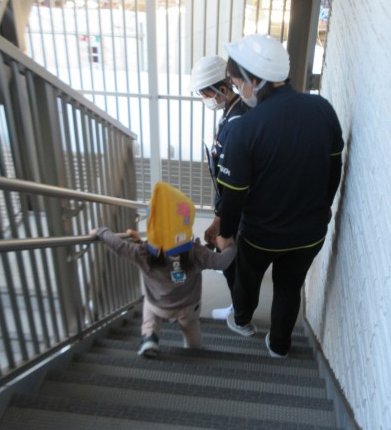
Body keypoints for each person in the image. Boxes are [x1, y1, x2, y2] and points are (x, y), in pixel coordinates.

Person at [215, 34, 344, 358]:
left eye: (237, 83)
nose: (238, 90)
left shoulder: (246, 129)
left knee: (247, 280)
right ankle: (279, 346)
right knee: (290, 286)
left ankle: (242, 321)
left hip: (262, 235)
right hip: (309, 232)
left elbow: (233, 195)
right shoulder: (322, 109)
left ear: (254, 80)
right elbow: (334, 167)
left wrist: (226, 234)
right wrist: (324, 209)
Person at [90, 181, 236, 358]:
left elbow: (120, 247)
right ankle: (194, 349)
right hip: (189, 307)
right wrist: (231, 246)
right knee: (191, 328)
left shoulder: (143, 253)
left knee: (148, 310)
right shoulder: (197, 253)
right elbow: (223, 262)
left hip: (159, 305)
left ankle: (150, 338)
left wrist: (101, 232)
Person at [189, 55, 249, 320]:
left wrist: (222, 225)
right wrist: (218, 217)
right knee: (230, 257)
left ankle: (239, 311)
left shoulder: (238, 121)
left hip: (238, 208)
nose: (204, 99)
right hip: (229, 205)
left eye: (205, 94)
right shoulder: (231, 113)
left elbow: (233, 183)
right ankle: (239, 304)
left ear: (223, 89)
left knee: (233, 261)